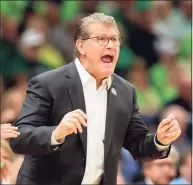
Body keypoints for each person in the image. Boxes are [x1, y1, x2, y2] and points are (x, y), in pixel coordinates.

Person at [10, 13, 181, 185]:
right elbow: (20, 137)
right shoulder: (48, 84)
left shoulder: (125, 91)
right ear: (81, 46)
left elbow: (137, 143)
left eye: (115, 39)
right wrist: (56, 133)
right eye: (101, 39)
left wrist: (160, 140)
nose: (111, 45)